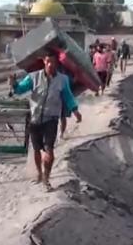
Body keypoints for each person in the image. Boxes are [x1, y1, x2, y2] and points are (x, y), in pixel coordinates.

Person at [9, 51, 81, 191]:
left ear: (57, 63)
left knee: (49, 150)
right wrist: (14, 84)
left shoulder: (62, 80)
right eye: (48, 61)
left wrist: (75, 110)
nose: (50, 65)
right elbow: (20, 90)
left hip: (51, 119)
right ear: (44, 62)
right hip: (34, 119)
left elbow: (68, 96)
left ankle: (46, 179)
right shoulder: (33, 77)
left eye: (53, 62)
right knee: (36, 149)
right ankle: (39, 173)